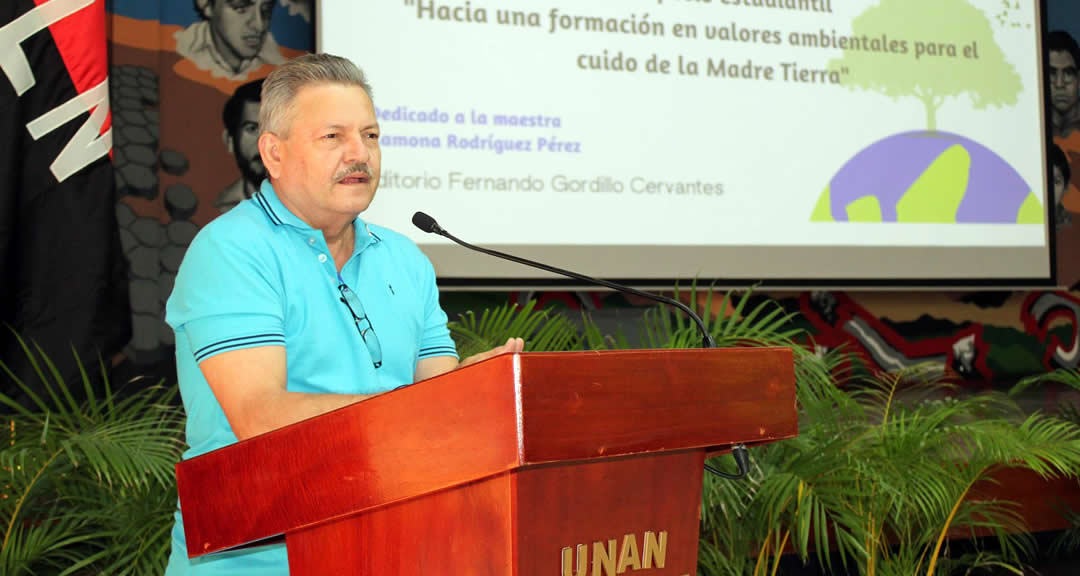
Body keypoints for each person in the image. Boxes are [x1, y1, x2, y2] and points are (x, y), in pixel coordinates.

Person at [163, 53, 524, 575]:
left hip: (395, 547)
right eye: (333, 137)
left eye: (371, 136)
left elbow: (436, 403)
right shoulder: (231, 252)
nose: (360, 154)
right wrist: (412, 406)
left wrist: (477, 386)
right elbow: (261, 417)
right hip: (259, 558)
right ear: (274, 153)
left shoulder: (405, 259)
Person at [175, 0, 286, 81]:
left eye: (266, 10)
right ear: (208, 6)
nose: (259, 25)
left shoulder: (282, 63)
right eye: (240, 8)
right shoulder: (175, 52)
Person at [217, 78, 266, 212]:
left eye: (275, 129)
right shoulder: (219, 212)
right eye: (252, 129)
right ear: (230, 141)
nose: (264, 142)